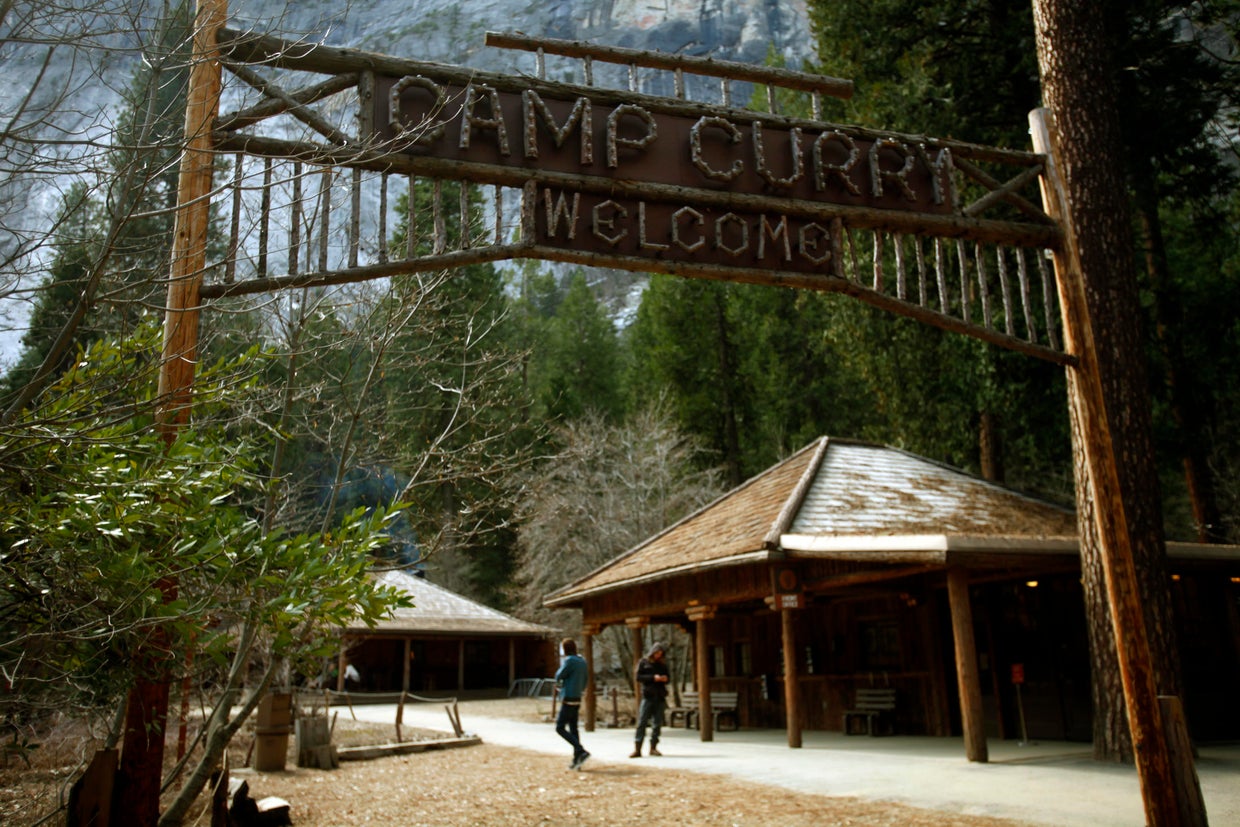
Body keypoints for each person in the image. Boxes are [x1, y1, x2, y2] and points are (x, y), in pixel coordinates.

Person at [554, 638, 590, 770]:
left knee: (560, 727)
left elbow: (559, 675)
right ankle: (577, 760)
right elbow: (586, 679)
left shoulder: (569, 661)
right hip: (577, 697)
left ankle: (580, 750)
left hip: (568, 697)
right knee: (574, 728)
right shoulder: (582, 661)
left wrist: (560, 685)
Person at [631, 642, 669, 757]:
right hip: (648, 696)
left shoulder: (662, 664)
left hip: (660, 695)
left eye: (660, 654)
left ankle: (653, 747)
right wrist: (653, 678)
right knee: (642, 722)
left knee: (657, 723)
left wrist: (664, 679)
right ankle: (638, 748)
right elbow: (638, 677)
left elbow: (669, 678)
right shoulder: (644, 662)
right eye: (657, 653)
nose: (658, 655)